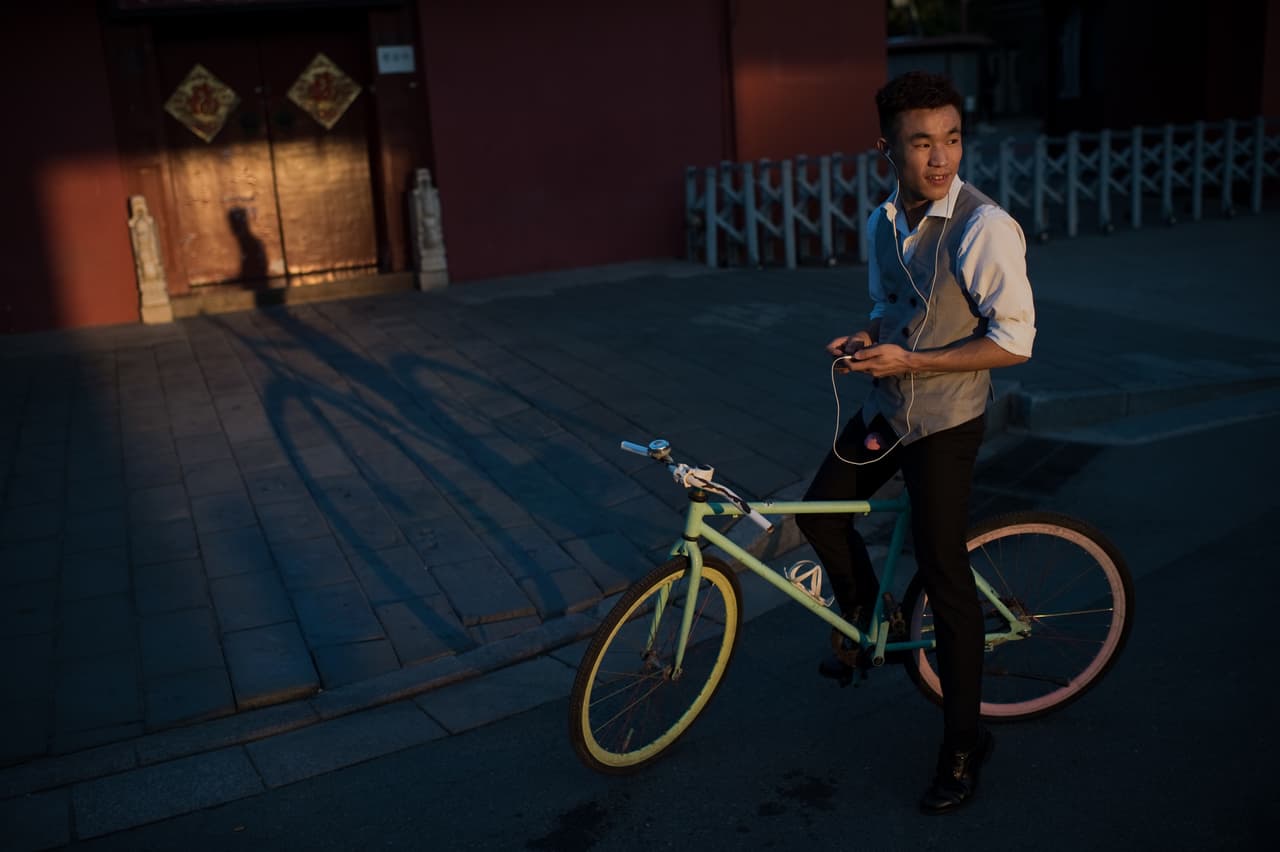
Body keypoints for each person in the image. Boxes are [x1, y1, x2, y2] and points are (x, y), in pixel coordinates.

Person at [794, 71, 1036, 814]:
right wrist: (869, 336)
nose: (941, 159)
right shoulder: (884, 218)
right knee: (820, 512)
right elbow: (888, 301)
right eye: (922, 143)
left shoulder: (983, 227)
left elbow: (1015, 343)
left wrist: (918, 361)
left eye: (952, 140)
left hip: (945, 419)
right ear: (887, 150)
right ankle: (877, 618)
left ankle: (964, 746)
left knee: (944, 575)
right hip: (886, 402)